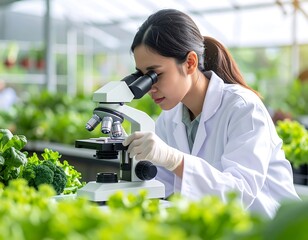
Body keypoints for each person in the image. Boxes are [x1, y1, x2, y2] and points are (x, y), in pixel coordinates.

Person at [122, 9, 300, 218]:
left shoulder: (243, 108)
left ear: (190, 63)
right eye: (142, 76)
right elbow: (161, 188)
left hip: (270, 228)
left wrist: (175, 160)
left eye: (155, 74)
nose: (149, 87)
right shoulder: (169, 119)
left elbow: (239, 193)